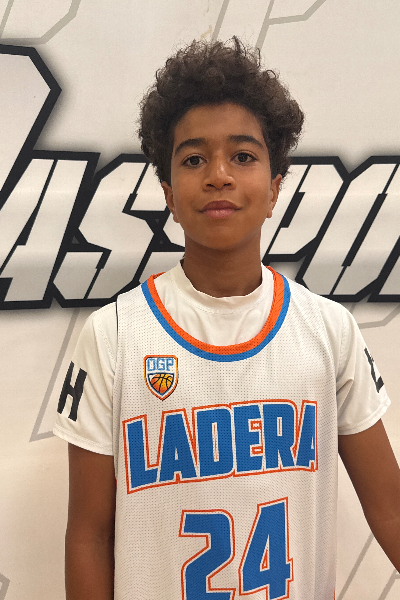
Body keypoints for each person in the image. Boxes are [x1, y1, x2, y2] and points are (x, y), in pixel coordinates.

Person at [54, 38, 400, 600]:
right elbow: (89, 535)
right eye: (194, 159)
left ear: (275, 188)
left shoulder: (329, 331)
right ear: (168, 192)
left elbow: (390, 509)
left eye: (243, 156)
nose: (218, 175)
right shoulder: (114, 335)